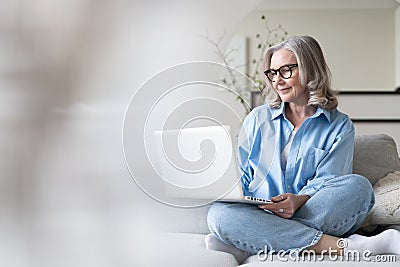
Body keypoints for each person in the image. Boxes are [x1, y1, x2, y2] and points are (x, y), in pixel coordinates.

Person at [205, 35, 400, 263]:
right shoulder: (257, 119)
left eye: (286, 70)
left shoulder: (339, 126)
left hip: (312, 208)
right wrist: (243, 199)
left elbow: (331, 179)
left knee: (358, 188)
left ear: (310, 70)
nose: (278, 80)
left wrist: (298, 200)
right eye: (273, 73)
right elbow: (244, 175)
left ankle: (254, 242)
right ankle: (344, 246)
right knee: (219, 215)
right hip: (260, 210)